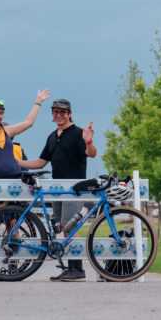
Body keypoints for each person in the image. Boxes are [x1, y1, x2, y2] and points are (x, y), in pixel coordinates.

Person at [20, 98, 96, 281]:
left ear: (69, 114)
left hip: (73, 189)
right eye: (55, 112)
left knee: (70, 227)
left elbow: (92, 154)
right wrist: (16, 163)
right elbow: (41, 162)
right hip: (57, 189)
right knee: (60, 226)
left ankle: (77, 270)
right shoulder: (52, 136)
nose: (59, 115)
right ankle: (69, 268)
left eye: (63, 112)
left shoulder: (78, 133)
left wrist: (89, 141)